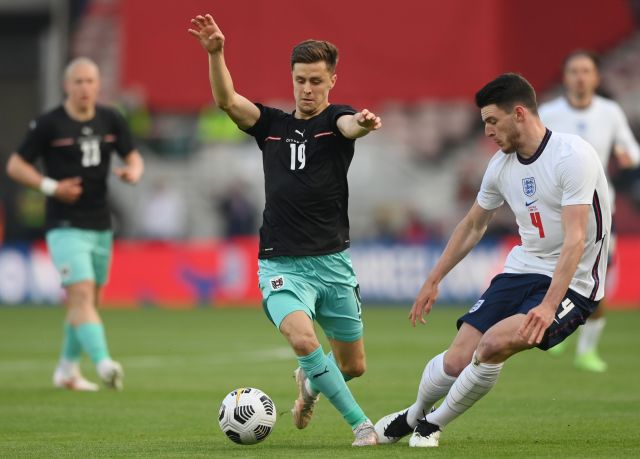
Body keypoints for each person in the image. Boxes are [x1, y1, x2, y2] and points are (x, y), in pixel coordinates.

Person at [374, 73, 611, 448]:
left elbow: (575, 239)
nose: (487, 131)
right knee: (456, 360)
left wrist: (549, 305)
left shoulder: (572, 155)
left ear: (519, 113)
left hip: (575, 283)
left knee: (492, 346)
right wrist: (434, 278)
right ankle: (414, 414)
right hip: (523, 269)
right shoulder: (500, 166)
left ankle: (432, 424)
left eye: (492, 121)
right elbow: (472, 225)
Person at [188, 13, 382, 446]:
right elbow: (228, 101)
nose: (307, 89)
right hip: (281, 264)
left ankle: (309, 383)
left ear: (332, 81)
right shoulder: (272, 126)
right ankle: (361, 426)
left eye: (316, 81)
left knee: (352, 366)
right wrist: (216, 53)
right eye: (300, 80)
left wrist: (363, 124)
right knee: (302, 339)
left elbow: (351, 125)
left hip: (332, 263)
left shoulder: (337, 121)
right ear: (292, 79)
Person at [6, 57, 144, 391]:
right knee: (81, 296)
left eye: (90, 81)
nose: (84, 87)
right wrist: (51, 187)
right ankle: (104, 363)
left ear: (98, 85)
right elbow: (16, 165)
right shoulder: (49, 124)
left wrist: (133, 172)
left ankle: (67, 370)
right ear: (66, 85)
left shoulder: (111, 118)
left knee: (88, 303)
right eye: (78, 81)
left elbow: (133, 156)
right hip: (64, 224)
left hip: (100, 224)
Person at [538, 50, 640, 372]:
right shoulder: (549, 113)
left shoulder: (609, 112)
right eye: (574, 71)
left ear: (596, 77)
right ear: (565, 77)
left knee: (598, 279)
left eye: (586, 71)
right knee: (558, 272)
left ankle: (587, 350)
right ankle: (561, 325)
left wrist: (628, 156)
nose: (580, 77)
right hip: (558, 207)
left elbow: (632, 148)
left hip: (599, 207)